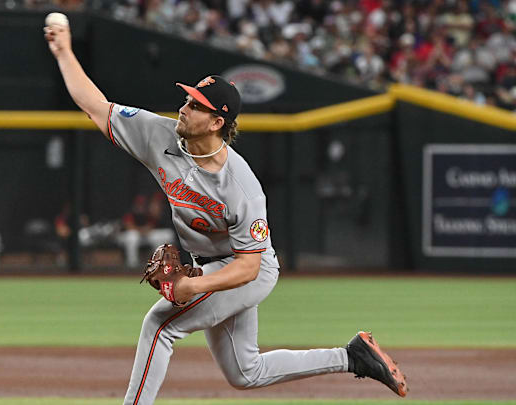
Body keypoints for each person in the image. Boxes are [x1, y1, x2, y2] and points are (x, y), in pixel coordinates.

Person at [44, 18, 408, 404]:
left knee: (160, 324)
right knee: (245, 372)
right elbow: (94, 106)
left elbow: (248, 267)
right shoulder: (160, 136)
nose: (184, 108)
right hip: (210, 261)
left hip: (249, 268)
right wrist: (64, 51)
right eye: (187, 100)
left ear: (217, 122)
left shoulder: (241, 186)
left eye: (195, 106)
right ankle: (352, 357)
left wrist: (192, 286)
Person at [117, 193, 176, 268]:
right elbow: (129, 226)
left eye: (142, 204)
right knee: (133, 236)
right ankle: (132, 265)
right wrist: (142, 230)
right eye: (139, 204)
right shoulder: (131, 212)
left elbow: (151, 225)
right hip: (125, 236)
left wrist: (145, 230)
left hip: (143, 235)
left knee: (161, 236)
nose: (140, 206)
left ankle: (158, 263)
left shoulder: (147, 213)